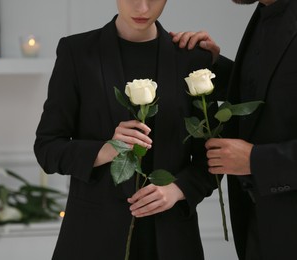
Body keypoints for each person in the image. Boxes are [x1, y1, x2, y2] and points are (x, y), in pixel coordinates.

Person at [34, 0, 218, 259]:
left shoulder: (192, 59)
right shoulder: (77, 52)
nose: (142, 8)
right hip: (92, 239)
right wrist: (104, 150)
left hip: (172, 240)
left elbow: (212, 155)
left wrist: (178, 189)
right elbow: (47, 148)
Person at [172, 0, 297, 259]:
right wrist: (213, 67)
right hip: (261, 229)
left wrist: (256, 161)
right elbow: (271, 95)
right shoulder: (265, 12)